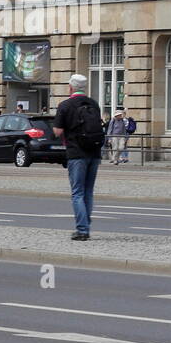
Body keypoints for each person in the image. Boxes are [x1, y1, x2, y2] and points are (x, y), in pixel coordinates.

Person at [53, 73, 105, 241]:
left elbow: (58, 131)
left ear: (70, 87)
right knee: (88, 191)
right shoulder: (94, 104)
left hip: (76, 153)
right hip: (94, 152)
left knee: (77, 193)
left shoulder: (65, 105)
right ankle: (85, 225)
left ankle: (82, 230)